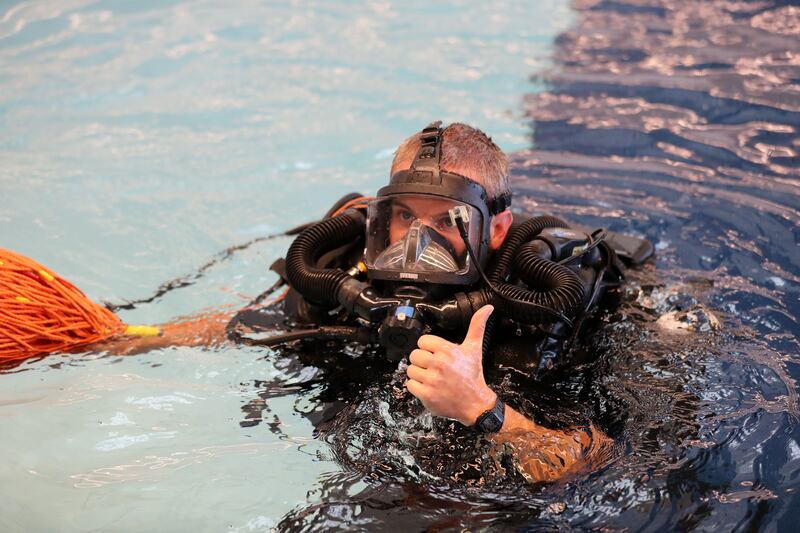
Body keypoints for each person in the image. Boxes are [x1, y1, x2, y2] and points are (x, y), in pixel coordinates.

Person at [99, 121, 651, 482]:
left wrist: (482, 409)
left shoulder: (540, 299)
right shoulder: (352, 268)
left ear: (497, 228)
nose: (417, 242)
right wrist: (119, 338)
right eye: (406, 216)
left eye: (447, 222)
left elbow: (594, 463)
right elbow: (249, 323)